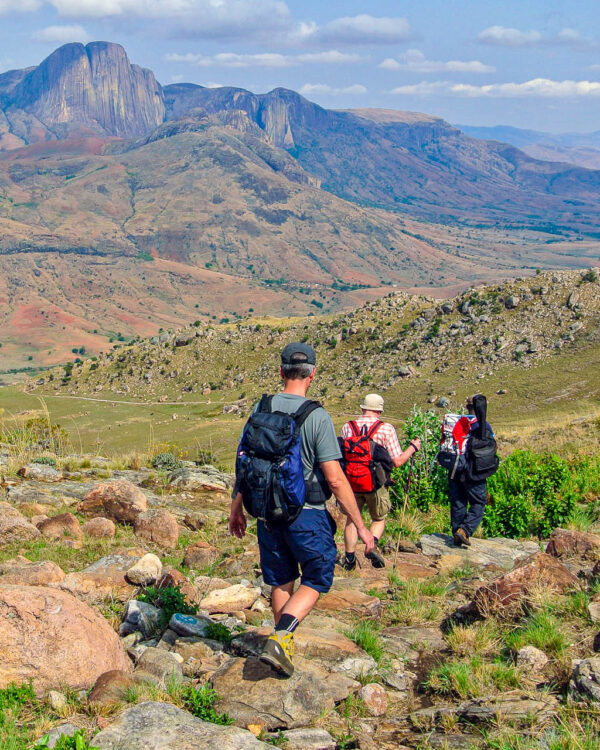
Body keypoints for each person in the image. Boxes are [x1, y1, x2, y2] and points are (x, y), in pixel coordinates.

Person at [228, 342, 374, 678]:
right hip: (305, 513)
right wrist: (360, 525)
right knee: (318, 577)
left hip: (265, 512)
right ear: (313, 374)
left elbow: (244, 462)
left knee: (280, 580)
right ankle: (281, 639)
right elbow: (335, 480)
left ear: (281, 372)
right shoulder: (316, 416)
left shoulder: (261, 407)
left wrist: (236, 507)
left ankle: (282, 652)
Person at [339, 393, 420, 570]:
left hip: (351, 481)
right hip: (376, 483)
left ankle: (350, 558)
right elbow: (397, 461)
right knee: (379, 518)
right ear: (379, 411)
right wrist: (413, 448)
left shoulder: (347, 427)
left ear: (362, 408)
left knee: (352, 519)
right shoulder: (386, 429)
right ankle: (371, 545)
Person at [449, 395, 494, 547]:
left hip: (455, 468)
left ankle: (456, 533)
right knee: (478, 502)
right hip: (474, 471)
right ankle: (464, 531)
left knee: (458, 501)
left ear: (467, 407)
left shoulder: (457, 423)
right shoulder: (483, 426)